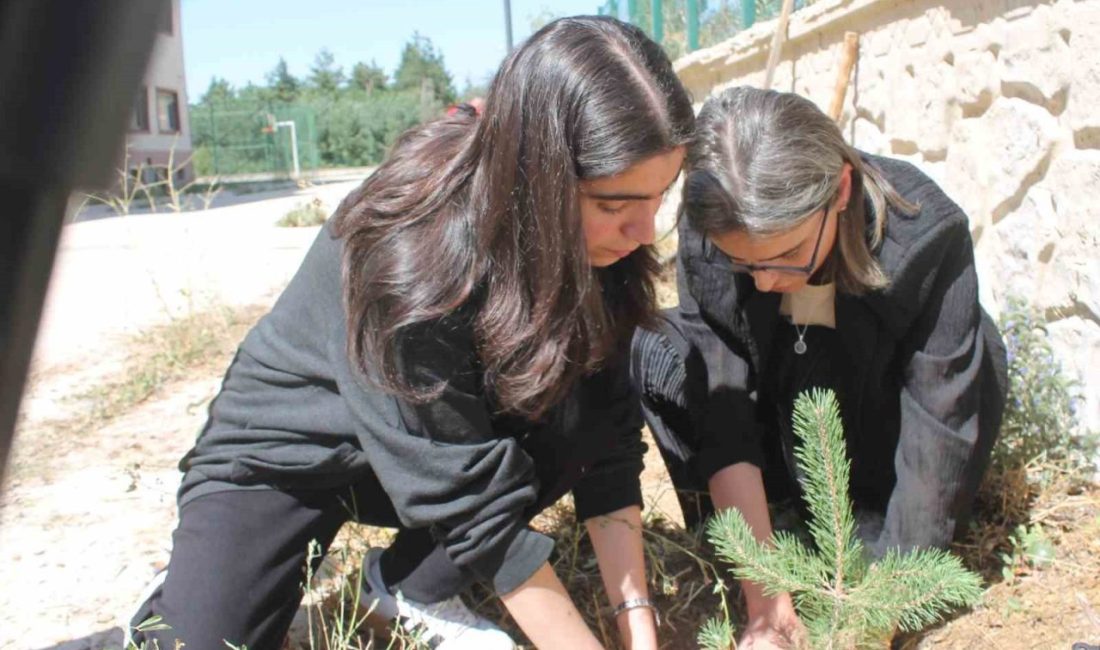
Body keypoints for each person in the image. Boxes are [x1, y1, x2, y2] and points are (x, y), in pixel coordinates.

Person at [128, 16, 694, 650]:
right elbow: (469, 498)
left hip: (425, 442)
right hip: (292, 456)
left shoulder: (593, 246)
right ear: (538, 178)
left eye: (659, 196)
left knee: (575, 412)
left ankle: (405, 588)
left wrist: (636, 624)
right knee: (198, 641)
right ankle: (171, 601)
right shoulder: (415, 250)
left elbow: (606, 438)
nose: (646, 232)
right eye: (615, 205)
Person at [631, 86, 1007, 649]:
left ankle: (873, 528)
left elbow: (940, 425)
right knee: (653, 345)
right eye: (743, 262)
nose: (764, 282)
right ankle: (757, 527)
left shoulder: (927, 236)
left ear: (841, 191)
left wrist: (869, 623)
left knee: (985, 349)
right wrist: (766, 601)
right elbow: (723, 399)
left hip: (880, 440)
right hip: (774, 437)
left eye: (786, 256)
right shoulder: (709, 227)